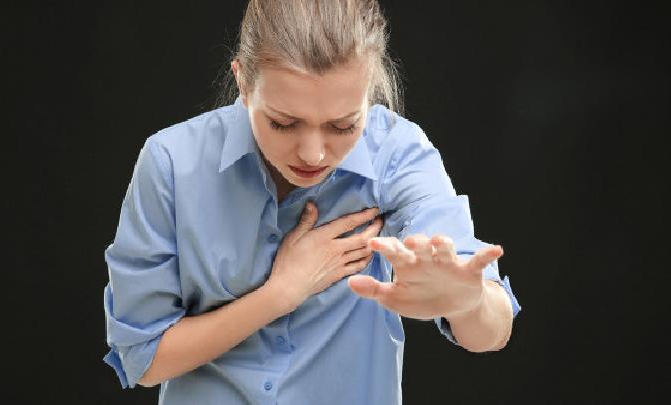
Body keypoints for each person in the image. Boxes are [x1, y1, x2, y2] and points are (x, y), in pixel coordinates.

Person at [102, 0, 521, 403]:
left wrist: (469, 302)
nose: (313, 154)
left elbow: (492, 330)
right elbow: (143, 359)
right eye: (283, 123)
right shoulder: (171, 163)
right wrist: (281, 292)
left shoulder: (396, 154)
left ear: (369, 91)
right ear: (243, 83)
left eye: (342, 125)